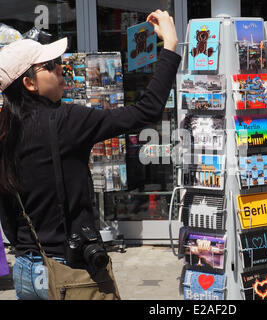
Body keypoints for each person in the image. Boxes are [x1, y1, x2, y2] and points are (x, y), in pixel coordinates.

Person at [0, 9, 180, 300]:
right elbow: (146, 110)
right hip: (68, 271)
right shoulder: (67, 120)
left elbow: (7, 215)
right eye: (51, 65)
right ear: (29, 84)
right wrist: (170, 46)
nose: (62, 69)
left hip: (25, 268)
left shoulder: (5, 129)